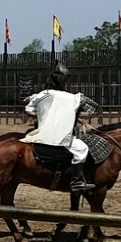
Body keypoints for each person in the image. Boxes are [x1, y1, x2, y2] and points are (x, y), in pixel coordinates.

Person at [21, 63, 97, 194]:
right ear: (64, 82)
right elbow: (93, 108)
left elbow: (29, 110)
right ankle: (77, 181)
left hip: (39, 134)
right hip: (59, 137)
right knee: (82, 148)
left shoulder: (41, 94)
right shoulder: (73, 98)